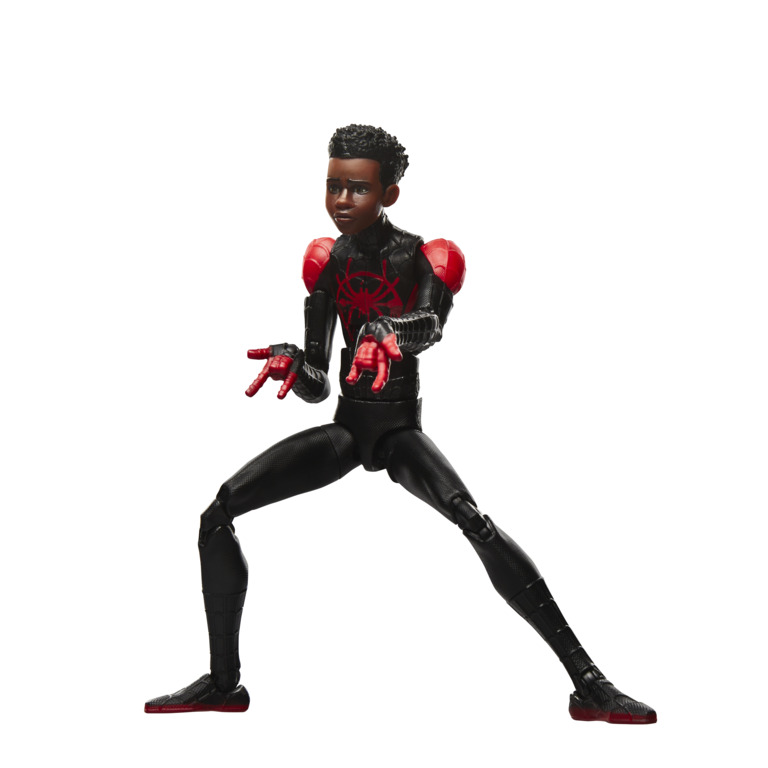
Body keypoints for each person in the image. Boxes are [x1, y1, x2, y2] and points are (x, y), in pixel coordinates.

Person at [145, 124, 656, 724]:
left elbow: (430, 327)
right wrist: (296, 361)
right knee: (217, 514)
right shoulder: (327, 261)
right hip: (346, 429)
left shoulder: (424, 256)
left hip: (395, 432)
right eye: (333, 185)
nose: (342, 200)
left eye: (358, 188)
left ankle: (588, 683)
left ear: (389, 193)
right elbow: (319, 384)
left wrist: (389, 330)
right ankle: (223, 683)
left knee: (475, 523)